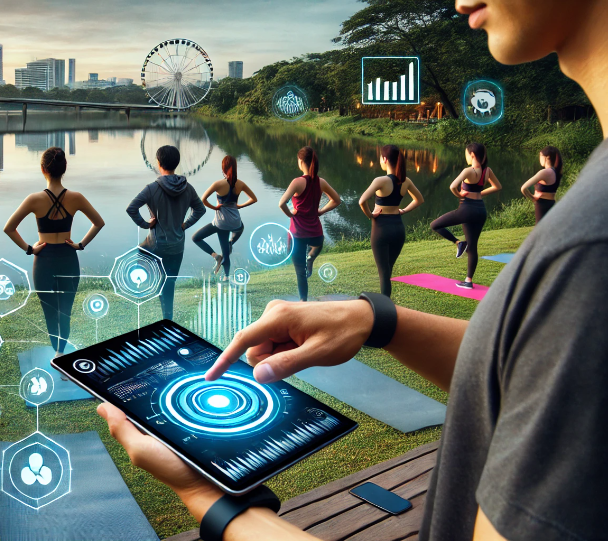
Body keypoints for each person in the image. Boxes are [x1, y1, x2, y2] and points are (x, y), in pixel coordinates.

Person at [100, 0, 608, 539]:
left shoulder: (586, 252)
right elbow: (540, 372)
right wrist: (378, 321)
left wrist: (209, 500)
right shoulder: (587, 215)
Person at [4, 147, 103, 355]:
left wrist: (30, 249)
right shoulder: (76, 197)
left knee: (49, 312)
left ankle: (57, 352)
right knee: (65, 311)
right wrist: (80, 245)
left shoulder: (34, 199)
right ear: (64, 169)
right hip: (68, 257)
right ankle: (60, 353)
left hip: (43, 260)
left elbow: (9, 228)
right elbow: (98, 223)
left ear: (43, 169)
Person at [127, 145, 205, 320]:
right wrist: (185, 225)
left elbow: (131, 209)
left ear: (158, 162)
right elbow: (200, 210)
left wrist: (146, 224)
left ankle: (149, 292)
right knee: (169, 283)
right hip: (177, 246)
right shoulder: (188, 188)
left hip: (156, 245)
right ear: (176, 163)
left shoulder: (151, 188)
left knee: (137, 257)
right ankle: (167, 318)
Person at [430, 143, 502, 289]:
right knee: (473, 247)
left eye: (467, 154)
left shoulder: (468, 171)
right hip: (480, 211)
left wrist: (460, 194)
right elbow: (497, 187)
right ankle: (468, 281)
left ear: (472, 155)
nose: (466, 157)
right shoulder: (487, 170)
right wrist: (479, 194)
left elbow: (452, 186)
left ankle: (458, 243)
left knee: (435, 225)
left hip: (466, 209)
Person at [358, 144, 424, 297]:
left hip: (381, 228)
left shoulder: (380, 181)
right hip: (398, 228)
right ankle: (387, 304)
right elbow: (419, 199)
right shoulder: (405, 181)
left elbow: (362, 201)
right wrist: (404, 210)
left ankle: (386, 308)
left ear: (385, 159)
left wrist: (370, 215)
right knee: (388, 270)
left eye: (380, 158)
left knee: (384, 273)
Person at [278, 146, 341, 301]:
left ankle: (303, 301)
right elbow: (337, 200)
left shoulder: (297, 182)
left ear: (300, 161)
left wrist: (291, 214)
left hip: (298, 233)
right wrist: (320, 211)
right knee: (317, 246)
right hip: (316, 234)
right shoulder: (321, 182)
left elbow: (282, 203)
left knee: (300, 271)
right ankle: (311, 258)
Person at [193, 156, 257, 279]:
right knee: (234, 236)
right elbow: (254, 199)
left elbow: (203, 199)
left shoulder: (218, 184)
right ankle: (227, 271)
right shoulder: (241, 184)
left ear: (223, 168)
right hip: (236, 222)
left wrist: (215, 208)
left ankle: (217, 257)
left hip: (221, 223)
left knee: (196, 237)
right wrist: (239, 206)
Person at [520, 145, 562, 223]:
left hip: (542, 205)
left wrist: (532, 198)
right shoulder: (556, 172)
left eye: (541, 156)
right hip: (551, 203)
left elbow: (524, 188)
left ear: (547, 157)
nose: (539, 159)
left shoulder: (545, 172)